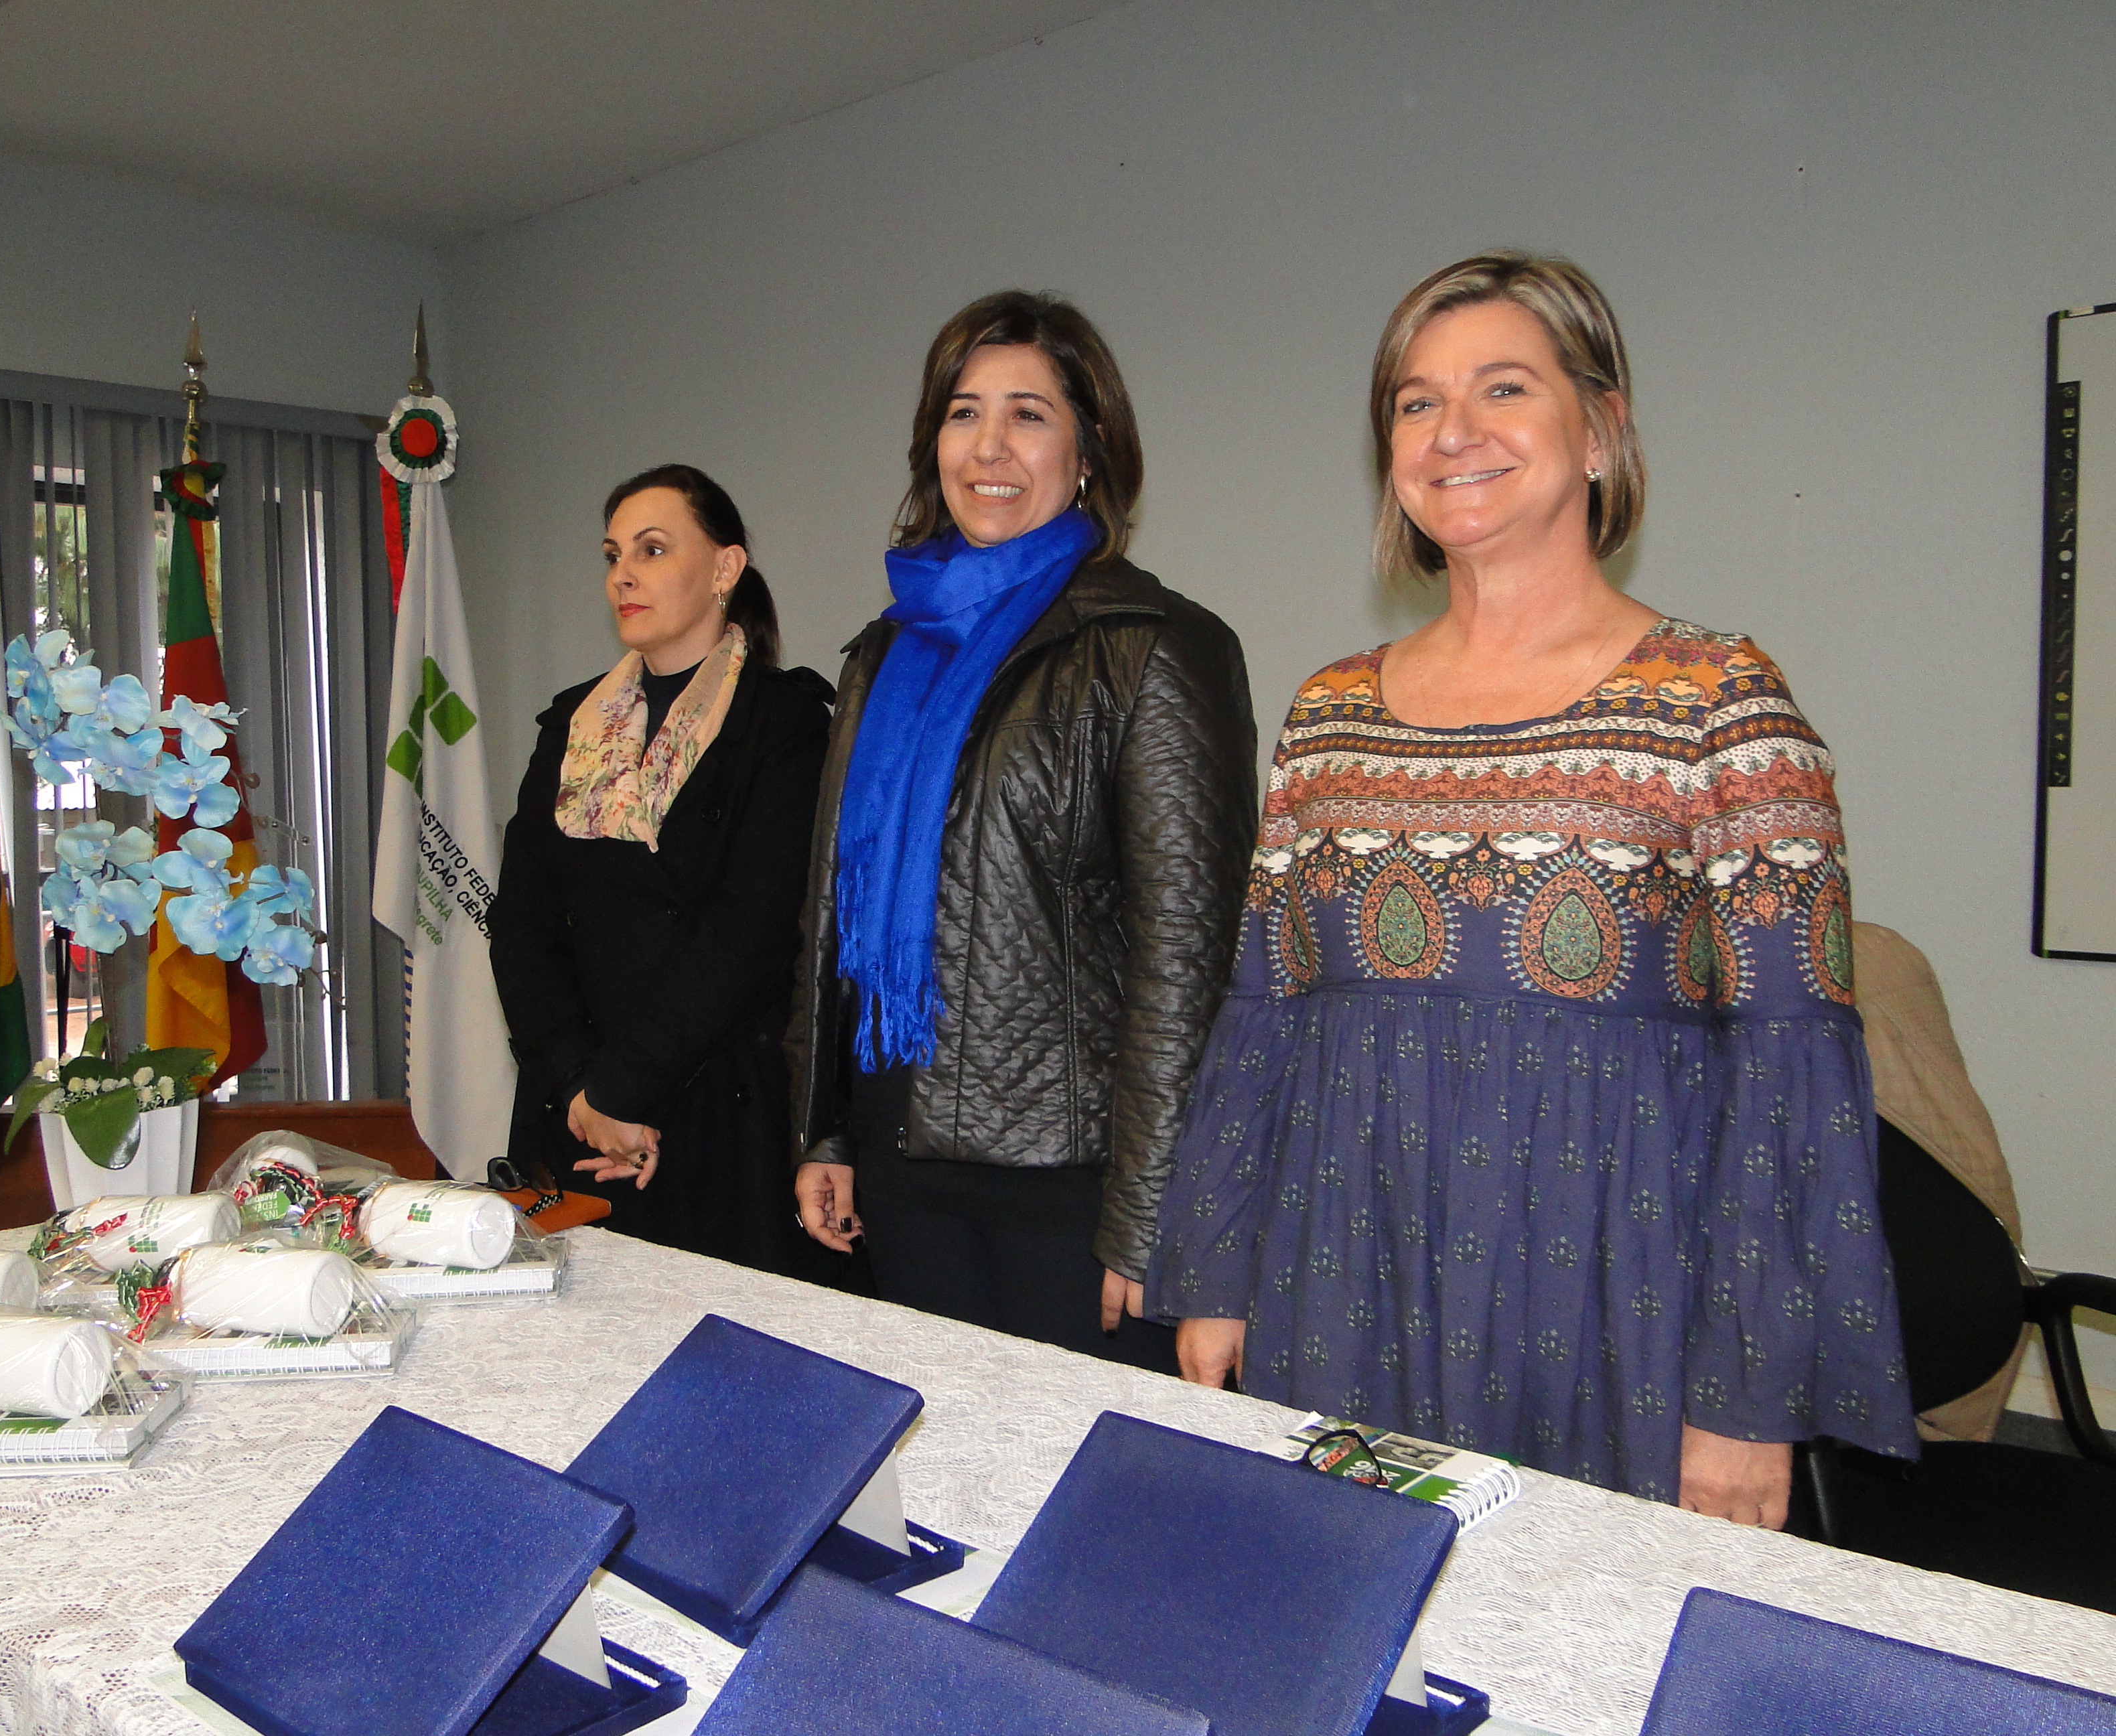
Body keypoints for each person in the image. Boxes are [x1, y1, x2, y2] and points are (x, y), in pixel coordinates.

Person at [1148, 252, 1915, 1524]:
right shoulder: (1329, 713)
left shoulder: (1719, 703)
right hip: (1344, 1279)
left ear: (1601, 430)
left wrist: (1747, 1393)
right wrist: (1218, 1270)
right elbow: (1265, 1015)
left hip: (1615, 1308)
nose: (1453, 431)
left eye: (1503, 388)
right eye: (1416, 401)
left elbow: (1793, 1069)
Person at [788, 289, 1259, 1366]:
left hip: (1072, 1193)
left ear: (1089, 453)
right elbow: (831, 910)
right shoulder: (882, 655)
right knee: (939, 1459)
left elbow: (1189, 960)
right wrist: (826, 1125)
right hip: (900, 1165)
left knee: (1079, 1474)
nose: (989, 446)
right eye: (964, 414)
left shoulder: (1154, 646)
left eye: (1028, 415)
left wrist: (1155, 1211)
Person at [492, 463, 840, 1281]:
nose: (624, 575)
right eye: (614, 555)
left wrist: (626, 1091)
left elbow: (751, 932)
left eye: (652, 550)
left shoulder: (787, 723)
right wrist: (583, 1090)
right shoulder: (571, 724)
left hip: (721, 1106)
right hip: (578, 1119)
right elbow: (522, 926)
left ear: (725, 567)